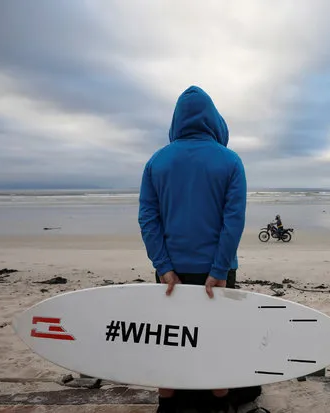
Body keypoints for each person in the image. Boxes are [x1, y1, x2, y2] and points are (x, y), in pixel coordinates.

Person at [138, 85, 247, 413]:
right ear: (213, 119)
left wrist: (163, 266)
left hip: (171, 272)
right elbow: (234, 221)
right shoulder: (230, 161)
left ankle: (166, 404)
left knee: (169, 338)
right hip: (218, 270)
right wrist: (219, 270)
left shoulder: (156, 162)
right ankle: (220, 402)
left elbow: (148, 219)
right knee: (218, 338)